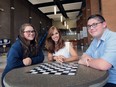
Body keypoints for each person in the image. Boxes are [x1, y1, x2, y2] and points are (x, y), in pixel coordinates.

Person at [78, 14, 116, 87]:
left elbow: (103, 65)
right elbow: (84, 55)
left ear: (104, 24)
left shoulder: (113, 38)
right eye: (89, 26)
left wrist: (87, 62)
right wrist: (95, 62)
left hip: (112, 81)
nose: (91, 28)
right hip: (100, 78)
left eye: (94, 24)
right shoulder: (95, 40)